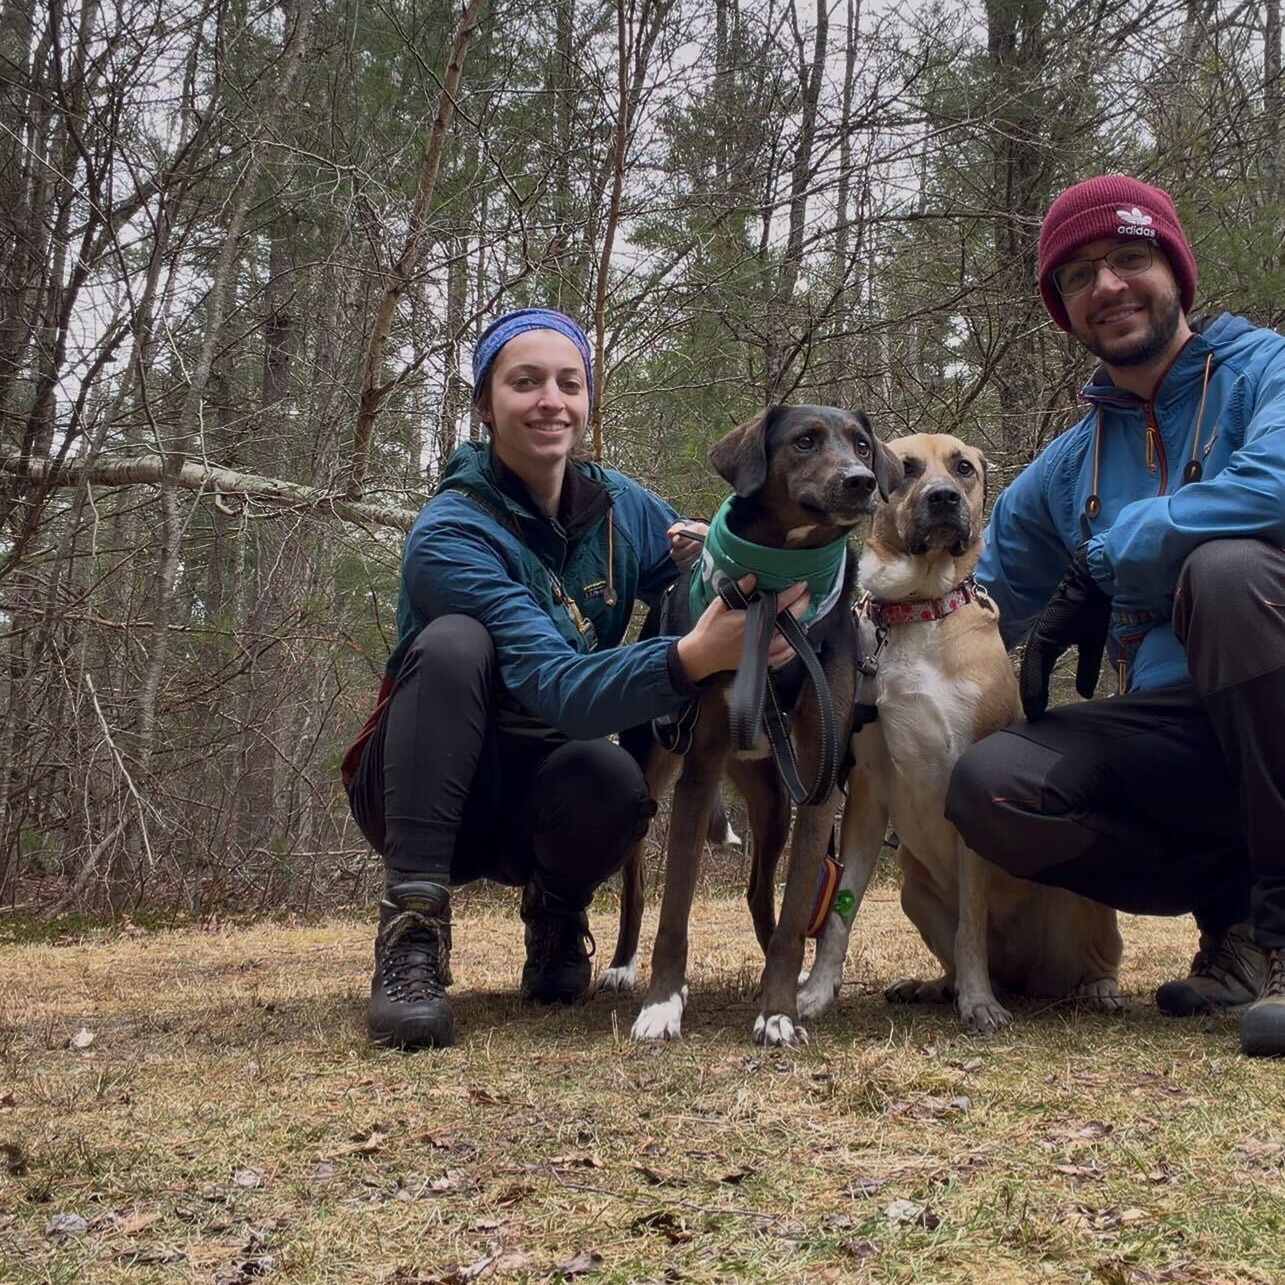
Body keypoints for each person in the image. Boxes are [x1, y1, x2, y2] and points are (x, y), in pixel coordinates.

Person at [343, 307, 807, 1050]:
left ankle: (556, 912)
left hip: (551, 795)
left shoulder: (619, 505)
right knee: (455, 644)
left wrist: (801, 574)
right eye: (523, 382)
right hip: (434, 799)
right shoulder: (449, 532)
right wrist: (695, 655)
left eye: (568, 382)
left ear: (588, 400)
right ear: (483, 404)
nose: (549, 400)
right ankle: (411, 936)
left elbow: (708, 561)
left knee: (616, 778)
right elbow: (557, 684)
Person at [945, 174, 1285, 1057]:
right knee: (991, 789)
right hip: (1180, 732)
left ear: (1175, 270)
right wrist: (817, 620)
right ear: (1062, 307)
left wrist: (1110, 557)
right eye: (1078, 275)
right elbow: (967, 600)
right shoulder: (1065, 468)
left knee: (1225, 570)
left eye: (1130, 258)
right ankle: (1235, 913)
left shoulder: (1263, 371)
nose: (1107, 286)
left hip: (1271, 687)